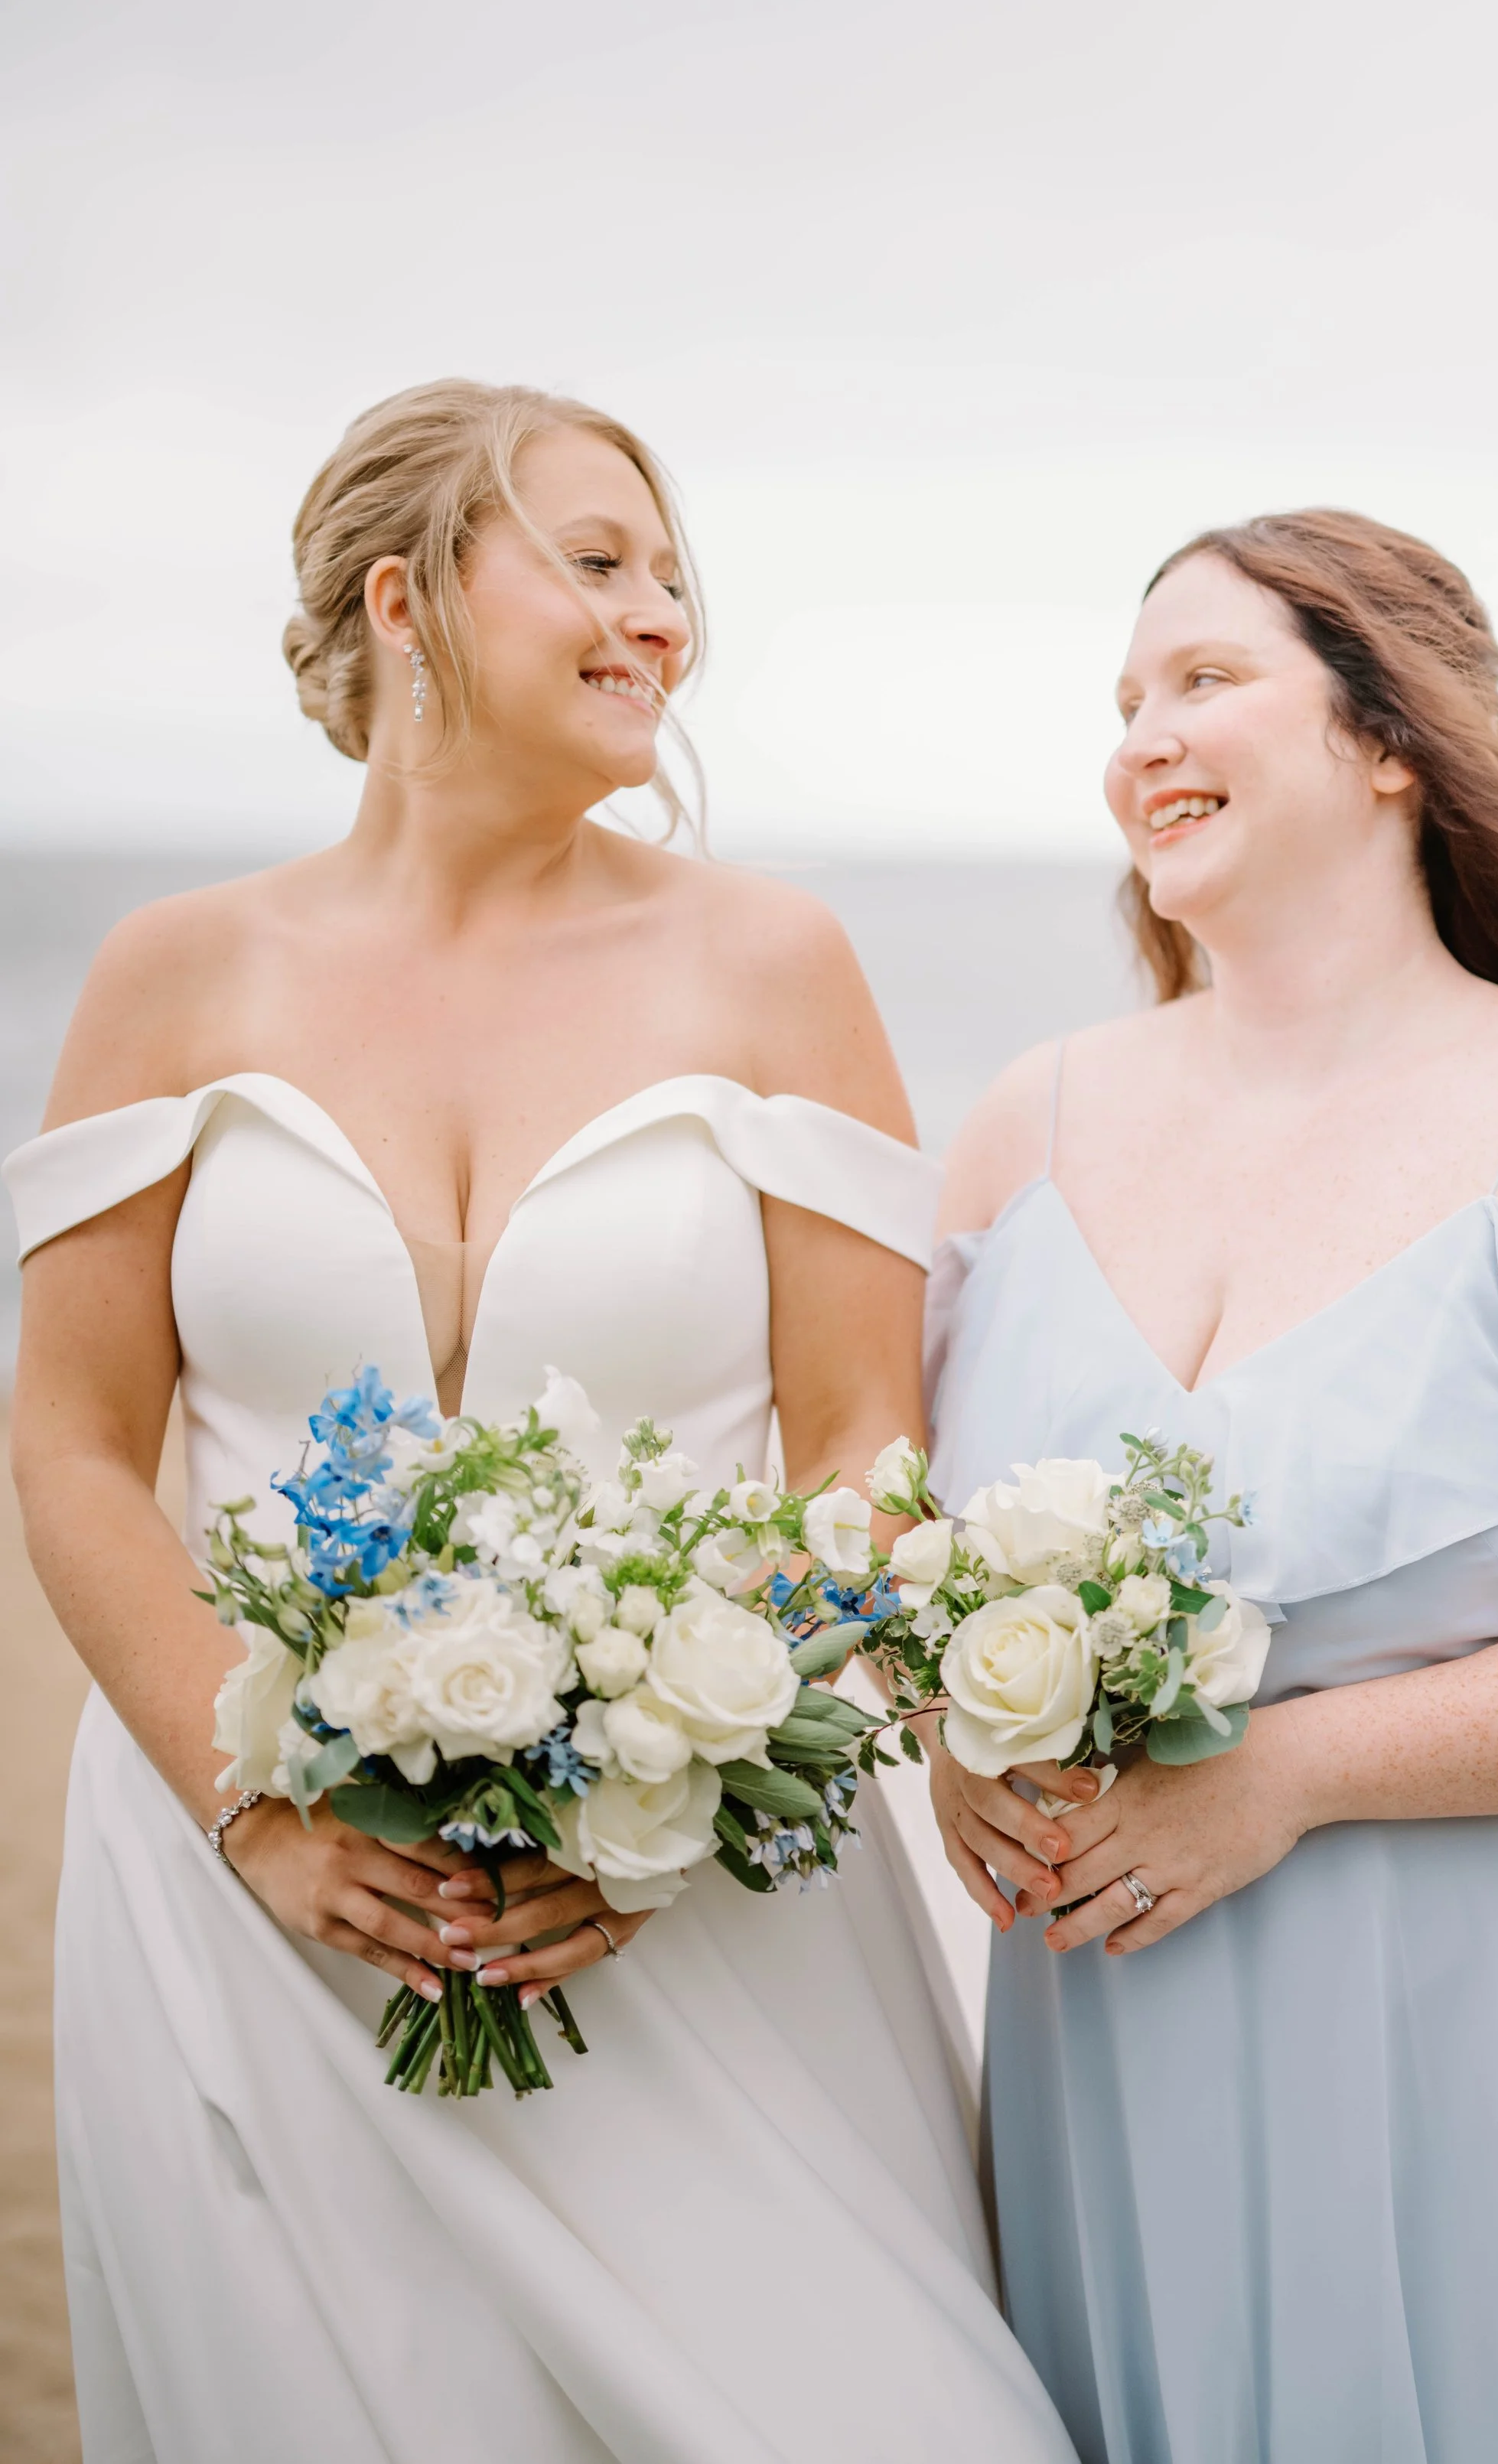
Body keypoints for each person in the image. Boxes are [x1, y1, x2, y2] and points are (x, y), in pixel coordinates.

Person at [6, 380, 1075, 2464]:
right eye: (595, 561)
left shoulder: (776, 962)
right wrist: (262, 1813)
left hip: (695, 1903)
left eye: (674, 578)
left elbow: (866, 1441)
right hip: (256, 1898)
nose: (657, 616)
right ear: (406, 600)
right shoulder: (173, 971)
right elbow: (68, 1440)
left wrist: (675, 1735)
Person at [924, 511, 1498, 2463]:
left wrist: (1286, 1773)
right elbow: (910, 1536)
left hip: (1481, 2031)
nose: (1138, 739)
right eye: (1121, 703)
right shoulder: (1030, 1122)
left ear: (1385, 743)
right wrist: (949, 1729)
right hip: (1115, 2039)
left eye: (1201, 679)